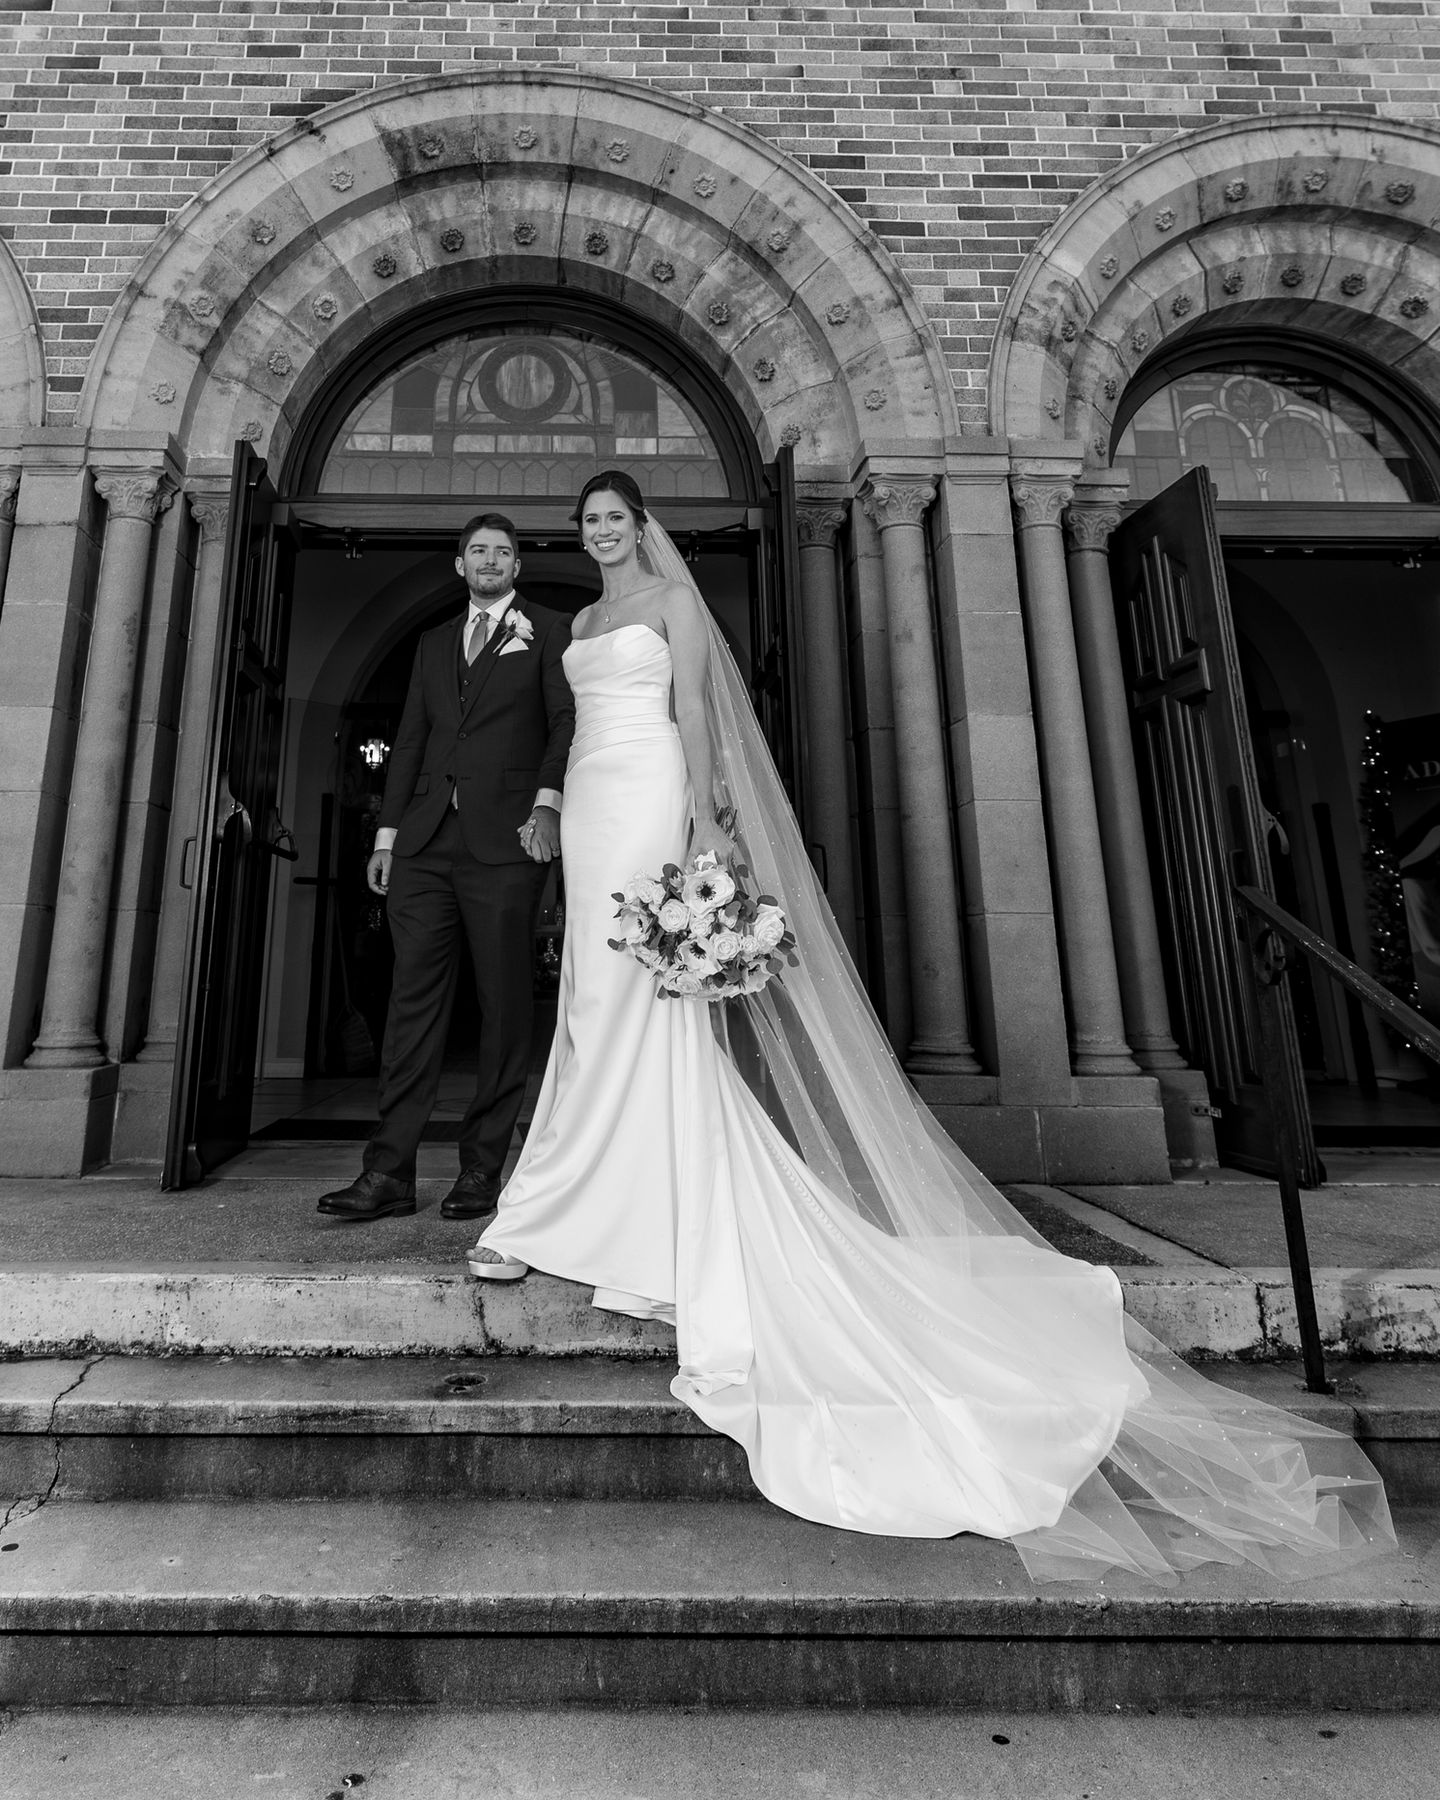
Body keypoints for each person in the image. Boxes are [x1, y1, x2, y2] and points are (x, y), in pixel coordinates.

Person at [466, 471, 1393, 1585]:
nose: (604, 533)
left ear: (640, 529)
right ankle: (575, 1193)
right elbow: (578, 729)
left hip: (658, 794)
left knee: (647, 1005)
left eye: (616, 520)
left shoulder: (672, 607)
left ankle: (626, 1200)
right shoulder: (580, 621)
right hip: (593, 803)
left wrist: (708, 825)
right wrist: (556, 807)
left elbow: (700, 718)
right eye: (591, 524)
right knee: (589, 1004)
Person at [317, 514, 574, 1224]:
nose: (489, 560)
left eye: (502, 551)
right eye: (477, 551)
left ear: (517, 565)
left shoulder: (548, 630)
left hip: (507, 844)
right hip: (425, 846)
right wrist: (387, 838)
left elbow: (564, 725)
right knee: (411, 1010)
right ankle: (386, 1173)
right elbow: (410, 742)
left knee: (503, 1011)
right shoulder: (432, 643)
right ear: (459, 565)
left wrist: (548, 808)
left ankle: (481, 1170)